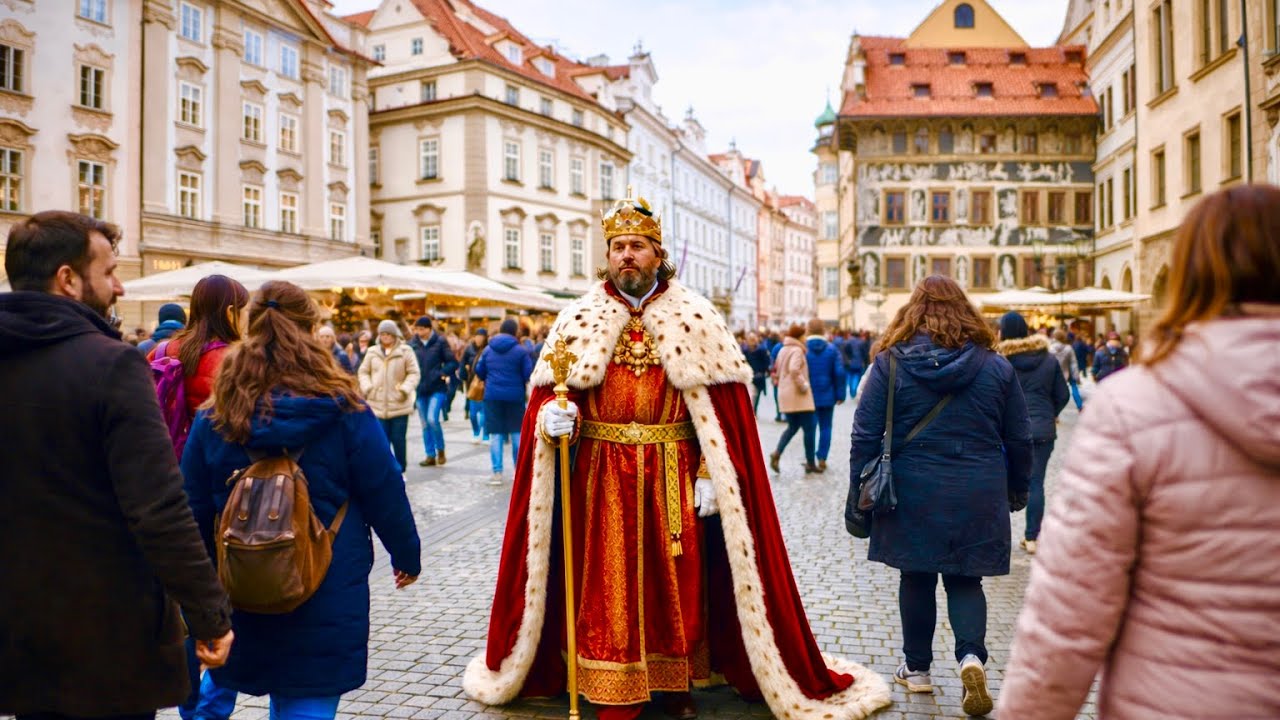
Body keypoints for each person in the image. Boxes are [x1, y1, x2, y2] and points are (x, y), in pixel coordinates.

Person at [464, 189, 889, 720]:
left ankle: (674, 686)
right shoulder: (579, 318)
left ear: (656, 254)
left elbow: (721, 416)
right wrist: (552, 422)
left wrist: (713, 473)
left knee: (676, 584)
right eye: (618, 245)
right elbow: (552, 398)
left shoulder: (695, 317)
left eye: (637, 246)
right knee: (606, 587)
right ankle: (609, 687)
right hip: (601, 482)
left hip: (673, 474)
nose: (626, 255)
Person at [1000, 185, 1280, 719]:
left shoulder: (1134, 405)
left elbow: (1070, 613)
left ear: (1191, 272)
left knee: (1033, 486)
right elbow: (1062, 392)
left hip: (1172, 701)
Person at [0, 211, 233, 720]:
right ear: (68, 279)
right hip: (103, 635)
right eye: (108, 272)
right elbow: (159, 507)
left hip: (16, 629)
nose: (120, 287)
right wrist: (209, 616)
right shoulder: (110, 364)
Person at [181, 280, 421, 720]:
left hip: (240, 581)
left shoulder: (216, 414)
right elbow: (384, 487)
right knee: (307, 703)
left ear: (251, 327)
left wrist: (195, 597)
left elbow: (192, 507)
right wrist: (406, 554)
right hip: (326, 578)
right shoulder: (345, 409)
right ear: (311, 330)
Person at [847, 275, 1032, 718]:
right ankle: (971, 659)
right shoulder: (996, 366)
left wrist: (858, 496)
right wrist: (1017, 490)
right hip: (978, 485)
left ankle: (918, 670)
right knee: (967, 579)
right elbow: (1021, 438)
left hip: (912, 487)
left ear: (913, 310)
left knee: (916, 576)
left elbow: (864, 436)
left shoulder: (890, 363)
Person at [146, 274, 249, 720]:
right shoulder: (233, 361)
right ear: (229, 312)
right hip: (223, 498)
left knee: (186, 601)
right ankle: (213, 705)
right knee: (224, 604)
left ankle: (189, 701)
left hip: (167, 493)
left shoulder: (161, 352)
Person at [996, 312, 1069, 556]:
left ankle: (998, 538)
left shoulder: (1000, 360)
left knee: (999, 482)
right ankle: (1032, 537)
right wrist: (1049, 414)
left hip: (1007, 430)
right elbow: (1063, 394)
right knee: (1035, 481)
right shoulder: (1048, 359)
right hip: (1042, 429)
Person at [474, 317, 533, 485]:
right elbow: (528, 373)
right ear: (515, 331)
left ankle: (497, 473)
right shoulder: (521, 351)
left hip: (492, 397)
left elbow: (479, 370)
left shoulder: (487, 350)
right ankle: (518, 472)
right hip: (515, 397)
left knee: (495, 434)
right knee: (516, 434)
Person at [358, 319, 420, 473]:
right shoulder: (372, 352)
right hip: (377, 404)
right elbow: (363, 371)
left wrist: (405, 389)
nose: (385, 337)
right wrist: (368, 387)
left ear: (394, 335)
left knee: (398, 440)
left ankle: (400, 469)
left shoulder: (406, 351)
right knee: (381, 441)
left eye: (388, 334)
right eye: (382, 334)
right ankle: (385, 471)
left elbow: (413, 372)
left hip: (399, 403)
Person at [407, 316, 456, 467]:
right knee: (424, 423)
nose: (419, 332)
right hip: (420, 389)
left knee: (432, 419)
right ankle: (430, 455)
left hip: (437, 388)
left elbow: (453, 362)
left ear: (429, 329)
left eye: (422, 329)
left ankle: (440, 449)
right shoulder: (412, 344)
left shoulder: (440, 342)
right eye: (417, 329)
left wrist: (441, 373)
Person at [770, 323, 819, 474]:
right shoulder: (797, 350)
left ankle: (777, 453)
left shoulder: (783, 349)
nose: (806, 339)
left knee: (792, 427)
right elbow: (794, 370)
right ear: (799, 337)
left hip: (785, 394)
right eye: (804, 335)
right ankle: (811, 463)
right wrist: (804, 385)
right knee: (810, 428)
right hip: (799, 396)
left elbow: (777, 371)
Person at [804, 319, 846, 472]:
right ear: (823, 330)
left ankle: (810, 459)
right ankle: (822, 457)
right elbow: (839, 372)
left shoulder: (804, 349)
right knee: (826, 427)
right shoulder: (832, 349)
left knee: (810, 428)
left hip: (808, 395)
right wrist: (840, 394)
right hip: (828, 394)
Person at [461, 328, 489, 443]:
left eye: (481, 337)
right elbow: (462, 363)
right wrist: (464, 373)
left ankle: (486, 435)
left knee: (484, 413)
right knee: (472, 414)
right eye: (477, 336)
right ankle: (476, 432)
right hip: (472, 384)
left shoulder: (488, 349)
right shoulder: (469, 349)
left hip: (485, 384)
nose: (478, 339)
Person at [1048, 329, 1083, 410]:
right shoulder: (1069, 348)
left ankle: (1054, 410)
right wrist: (1076, 377)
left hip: (1053, 373)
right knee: (1074, 388)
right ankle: (1080, 406)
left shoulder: (1049, 348)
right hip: (1067, 372)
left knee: (1052, 392)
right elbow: (1073, 363)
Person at [741, 331, 771, 415]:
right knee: (751, 395)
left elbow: (767, 362)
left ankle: (754, 411)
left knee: (756, 395)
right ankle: (751, 412)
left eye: (754, 339)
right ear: (747, 340)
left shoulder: (762, 350)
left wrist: (764, 371)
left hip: (759, 377)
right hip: (748, 377)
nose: (752, 341)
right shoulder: (744, 351)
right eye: (750, 339)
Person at [842, 329, 867, 398]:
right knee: (857, 376)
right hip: (859, 362)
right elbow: (864, 353)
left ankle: (851, 390)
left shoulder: (848, 342)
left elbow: (846, 351)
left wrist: (849, 357)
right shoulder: (861, 342)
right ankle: (854, 390)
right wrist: (863, 360)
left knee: (851, 376)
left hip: (851, 362)